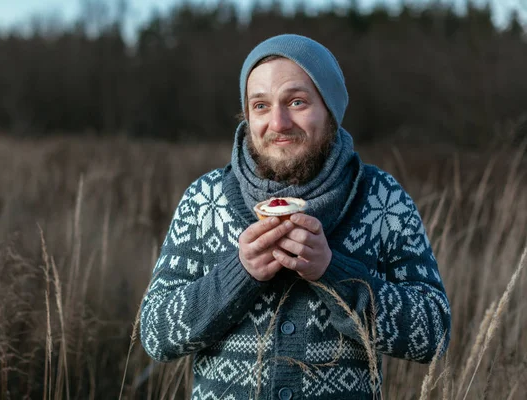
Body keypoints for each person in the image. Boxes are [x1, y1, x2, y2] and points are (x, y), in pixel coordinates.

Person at [140, 34, 451, 399]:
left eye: (297, 101)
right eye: (260, 105)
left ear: (330, 110)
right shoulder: (205, 200)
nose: (279, 122)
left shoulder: (381, 199)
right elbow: (155, 335)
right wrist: (239, 274)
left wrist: (334, 274)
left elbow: (434, 333)